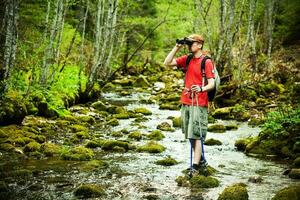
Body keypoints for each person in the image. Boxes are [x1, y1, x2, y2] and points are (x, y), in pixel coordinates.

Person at [163, 34, 215, 176]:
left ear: (199, 45)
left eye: (191, 43)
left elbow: (212, 83)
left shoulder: (206, 61)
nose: (189, 46)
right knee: (190, 135)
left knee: (196, 135)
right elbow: (167, 63)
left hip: (199, 102)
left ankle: (195, 166)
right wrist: (177, 47)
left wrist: (201, 89)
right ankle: (201, 160)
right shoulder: (188, 59)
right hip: (186, 101)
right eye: (188, 44)